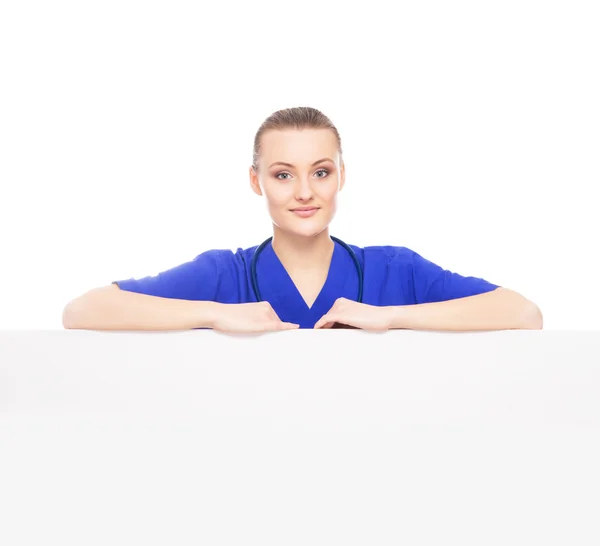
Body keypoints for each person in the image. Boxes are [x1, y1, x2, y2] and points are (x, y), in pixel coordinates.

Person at [62, 106, 543, 333]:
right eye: (283, 174)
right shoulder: (222, 275)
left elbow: (523, 314)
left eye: (320, 171)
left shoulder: (394, 271)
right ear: (256, 182)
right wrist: (214, 313)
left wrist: (390, 317)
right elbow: (83, 312)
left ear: (341, 176)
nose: (305, 192)